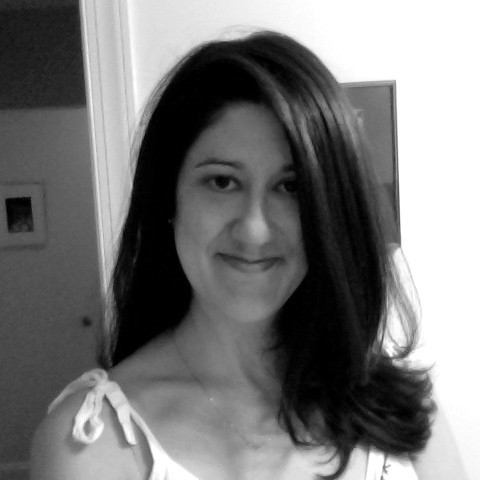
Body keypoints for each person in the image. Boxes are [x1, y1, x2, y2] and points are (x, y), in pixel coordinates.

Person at [31, 30, 466, 480]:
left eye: (290, 186)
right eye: (222, 182)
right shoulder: (92, 442)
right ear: (168, 199)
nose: (255, 230)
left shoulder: (400, 410)